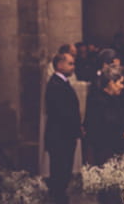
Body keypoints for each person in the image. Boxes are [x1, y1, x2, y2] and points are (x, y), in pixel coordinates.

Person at [44, 53, 81, 204]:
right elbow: (62, 112)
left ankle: (60, 196)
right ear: (59, 65)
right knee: (60, 171)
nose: (73, 66)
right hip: (60, 137)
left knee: (64, 171)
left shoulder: (62, 83)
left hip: (65, 135)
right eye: (70, 64)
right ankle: (58, 198)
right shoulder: (55, 84)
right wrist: (75, 128)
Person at [83, 63, 124, 165]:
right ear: (111, 83)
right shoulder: (97, 102)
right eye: (120, 83)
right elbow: (99, 133)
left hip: (115, 153)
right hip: (103, 156)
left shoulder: (114, 100)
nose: (123, 86)